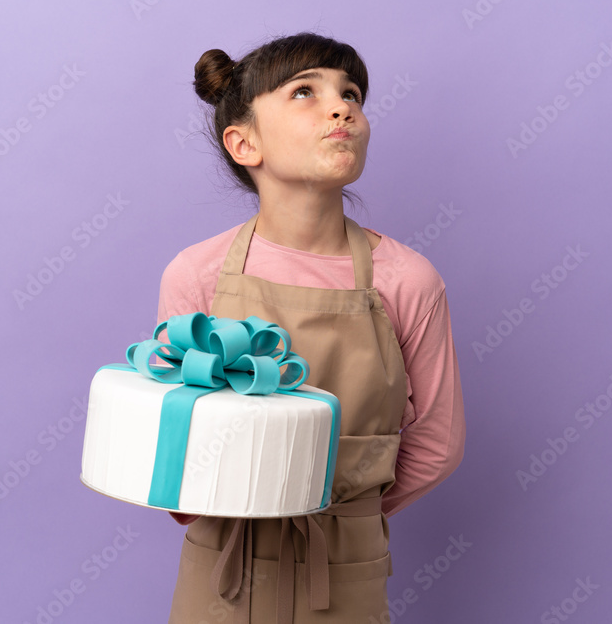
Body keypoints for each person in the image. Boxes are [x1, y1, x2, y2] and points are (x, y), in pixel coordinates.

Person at [156, 31, 466, 623]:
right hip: (224, 564)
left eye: (351, 93)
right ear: (244, 142)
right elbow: (179, 428)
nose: (342, 105)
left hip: (343, 568)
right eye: (305, 91)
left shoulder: (407, 279)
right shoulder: (197, 274)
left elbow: (437, 440)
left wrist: (345, 514)